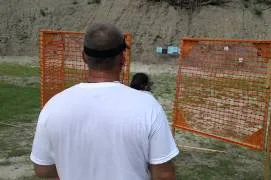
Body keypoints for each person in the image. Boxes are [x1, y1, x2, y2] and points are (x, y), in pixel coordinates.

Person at [30, 21, 179, 180]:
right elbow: (163, 174)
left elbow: (43, 170)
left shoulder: (53, 106)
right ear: (122, 59)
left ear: (84, 57)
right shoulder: (148, 106)